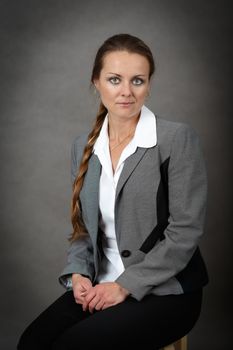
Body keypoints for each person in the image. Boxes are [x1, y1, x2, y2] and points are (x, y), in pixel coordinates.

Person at [17, 33, 208, 349]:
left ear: (149, 85)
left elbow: (185, 233)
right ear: (96, 82)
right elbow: (83, 230)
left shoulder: (176, 139)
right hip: (99, 284)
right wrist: (78, 273)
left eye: (137, 81)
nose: (126, 92)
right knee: (32, 342)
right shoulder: (84, 147)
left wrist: (124, 286)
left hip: (166, 291)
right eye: (115, 79)